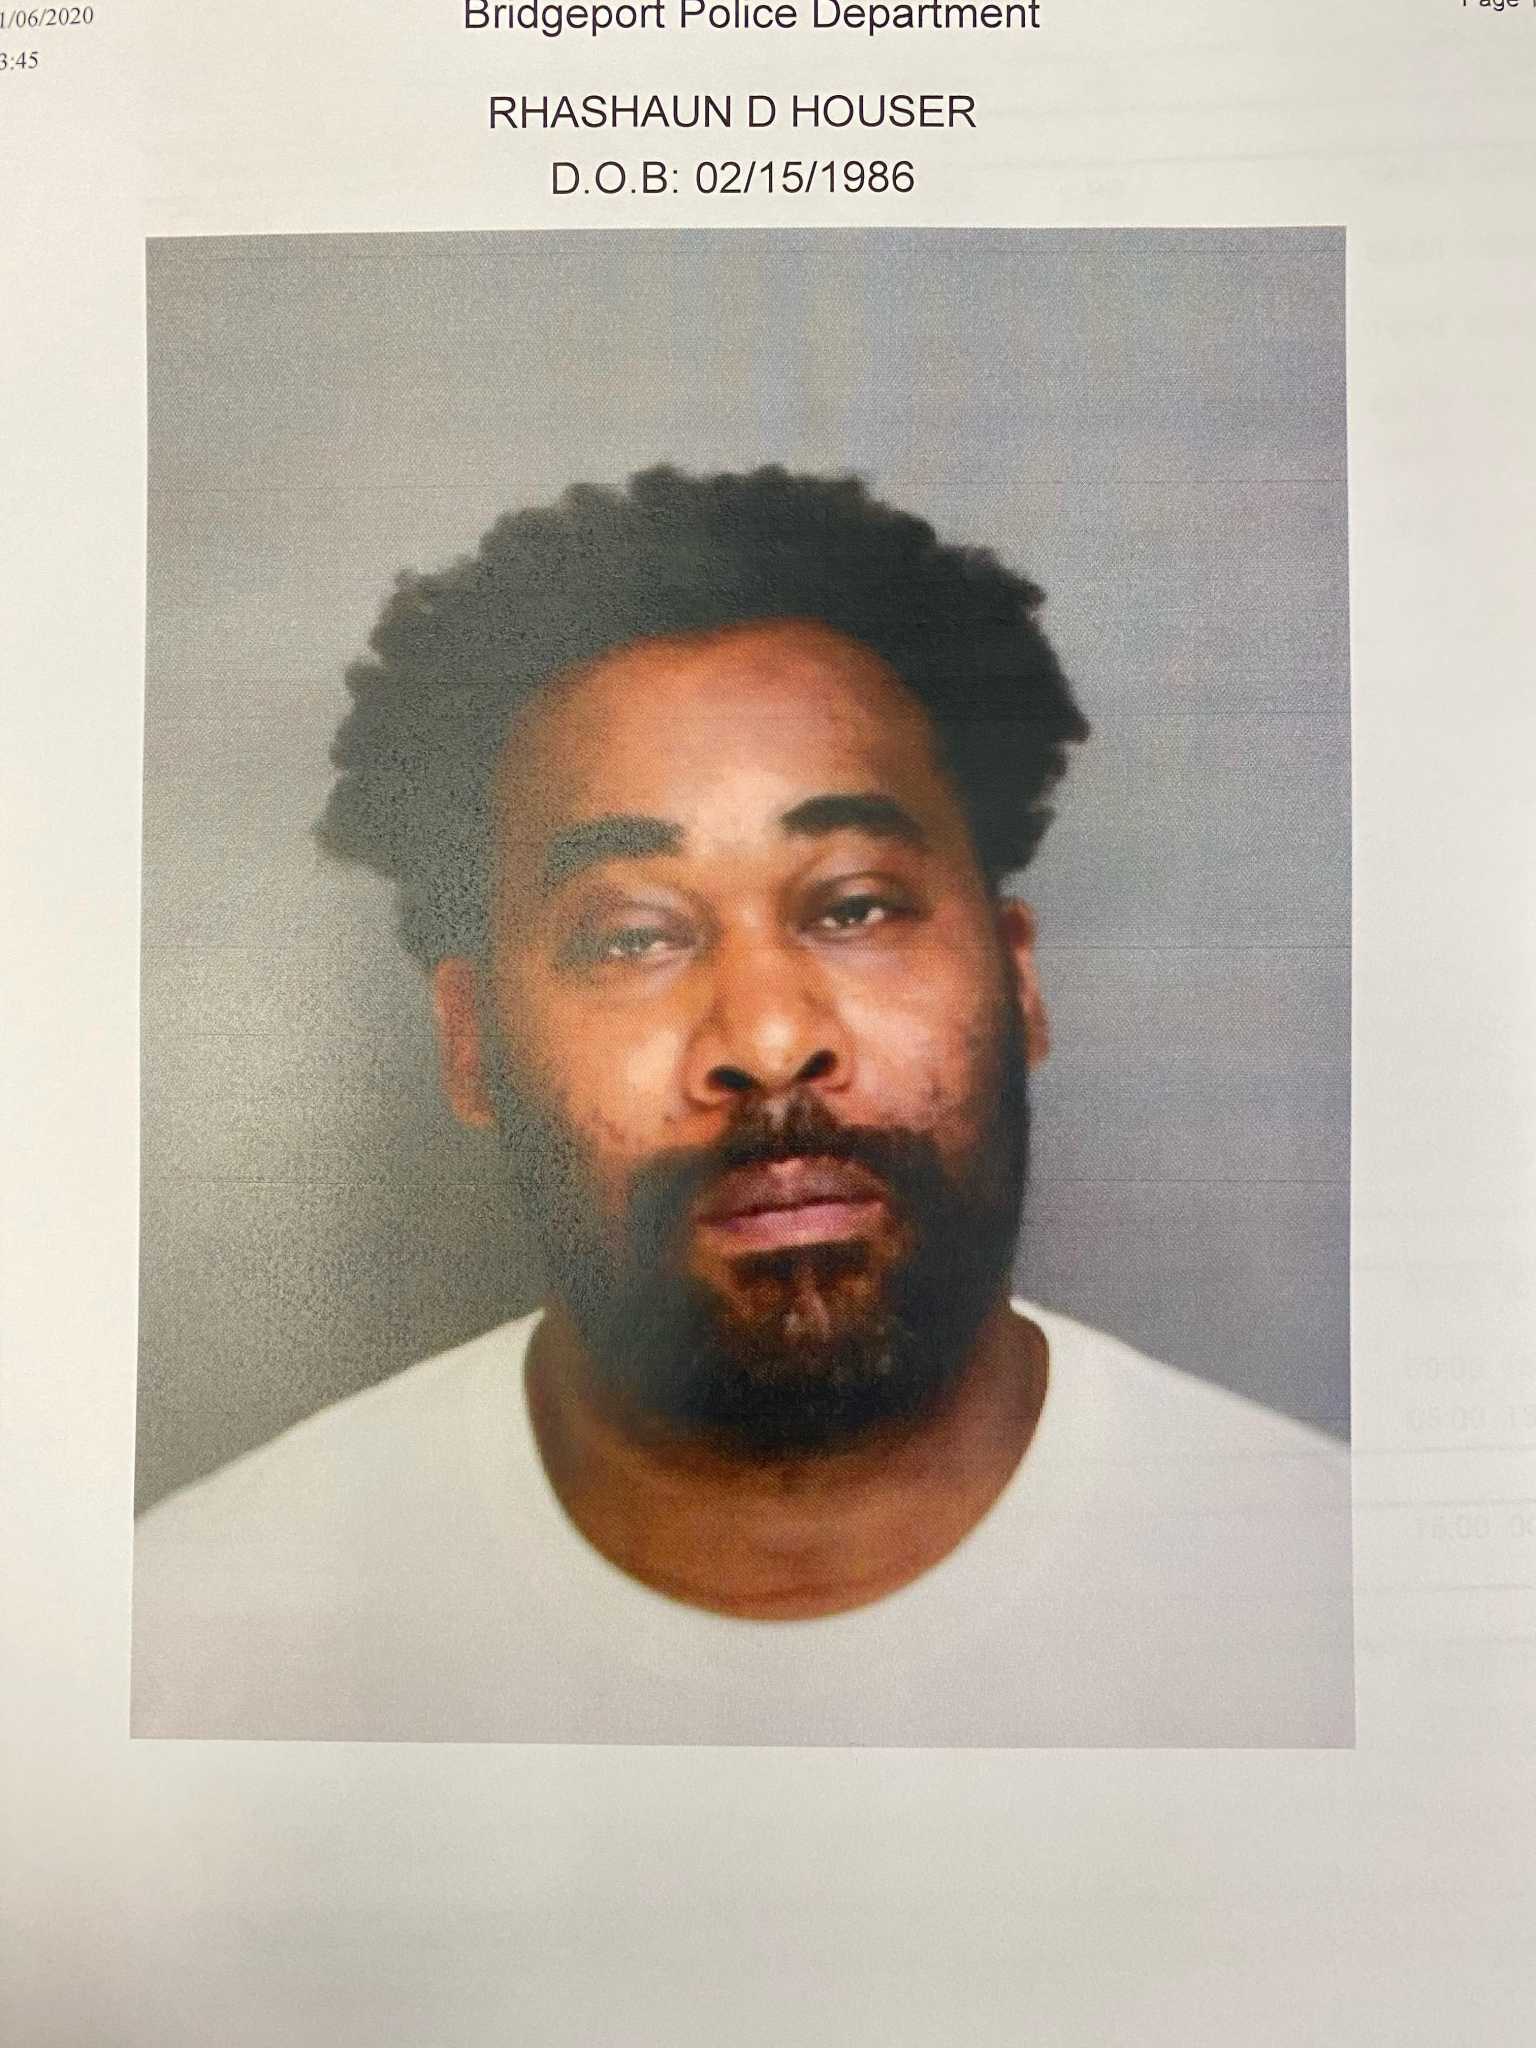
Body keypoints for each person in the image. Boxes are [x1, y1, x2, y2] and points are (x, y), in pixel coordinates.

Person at [133, 466, 1352, 1745]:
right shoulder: (197, 1642)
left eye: (855, 906)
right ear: (473, 1044)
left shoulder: (1326, 1600)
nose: (770, 1041)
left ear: (1020, 979)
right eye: (632, 935)